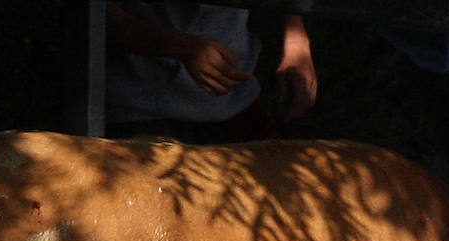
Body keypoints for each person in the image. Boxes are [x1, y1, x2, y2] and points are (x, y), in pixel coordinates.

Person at [105, 2, 317, 144]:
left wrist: (296, 40)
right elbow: (96, 15)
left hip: (235, 103)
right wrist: (181, 47)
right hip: (140, 108)